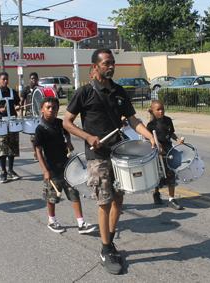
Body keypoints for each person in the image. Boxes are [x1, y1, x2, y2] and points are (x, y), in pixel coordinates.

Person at [64, 48, 156, 275]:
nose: (111, 66)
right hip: (98, 157)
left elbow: (133, 119)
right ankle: (105, 250)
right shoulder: (84, 92)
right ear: (95, 66)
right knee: (104, 203)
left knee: (118, 199)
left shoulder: (119, 91)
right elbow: (66, 122)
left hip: (119, 152)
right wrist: (87, 136)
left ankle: (110, 242)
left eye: (112, 62)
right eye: (106, 63)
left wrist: (149, 135)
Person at [34, 96, 96, 234]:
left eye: (54, 108)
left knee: (74, 193)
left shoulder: (59, 123)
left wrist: (68, 141)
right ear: (42, 109)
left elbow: (67, 132)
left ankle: (81, 222)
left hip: (67, 167)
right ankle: (52, 220)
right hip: (52, 168)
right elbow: (38, 150)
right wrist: (45, 170)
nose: (51, 110)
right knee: (52, 197)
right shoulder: (40, 129)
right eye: (48, 107)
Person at [147, 100, 184, 209]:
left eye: (162, 109)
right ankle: (156, 193)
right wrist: (157, 145)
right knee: (159, 174)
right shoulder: (151, 125)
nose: (161, 111)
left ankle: (171, 199)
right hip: (159, 152)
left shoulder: (168, 120)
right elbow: (148, 139)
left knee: (171, 172)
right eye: (158, 109)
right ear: (153, 111)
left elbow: (170, 132)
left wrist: (177, 139)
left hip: (169, 149)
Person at [0, 72, 21, 183]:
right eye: (3, 79)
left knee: (12, 148)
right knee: (2, 148)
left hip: (12, 122)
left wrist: (17, 107)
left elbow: (17, 104)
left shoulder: (13, 92)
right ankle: (3, 171)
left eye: (6, 79)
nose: (5, 81)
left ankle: (11, 170)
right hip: (0, 124)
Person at [20, 72, 39, 160]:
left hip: (38, 114)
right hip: (29, 114)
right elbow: (21, 102)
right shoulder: (26, 90)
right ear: (29, 80)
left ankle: (41, 151)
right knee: (32, 136)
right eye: (32, 79)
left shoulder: (39, 89)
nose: (33, 80)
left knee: (40, 134)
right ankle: (36, 153)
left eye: (35, 79)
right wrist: (21, 115)